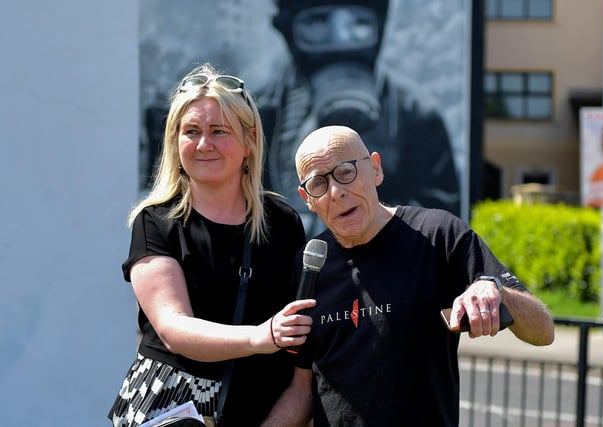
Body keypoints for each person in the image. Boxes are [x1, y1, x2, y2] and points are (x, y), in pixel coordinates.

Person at [262, 125, 555, 426]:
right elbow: (303, 388)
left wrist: (495, 288)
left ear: (376, 169)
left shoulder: (437, 234)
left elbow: (543, 331)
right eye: (318, 184)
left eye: (345, 172)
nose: (336, 191)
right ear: (306, 198)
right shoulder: (311, 264)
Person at [108, 63, 315, 427]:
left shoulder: (283, 222)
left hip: (263, 408)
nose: (204, 144)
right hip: (171, 411)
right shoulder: (155, 221)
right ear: (175, 141)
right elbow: (174, 329)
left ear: (250, 141)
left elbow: (301, 358)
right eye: (191, 131)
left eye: (219, 131)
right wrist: (259, 337)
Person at [258, 0, 460, 236]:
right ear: (288, 29)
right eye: (318, 21)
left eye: (358, 22)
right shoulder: (263, 115)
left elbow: (439, 222)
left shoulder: (415, 117)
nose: (341, 37)